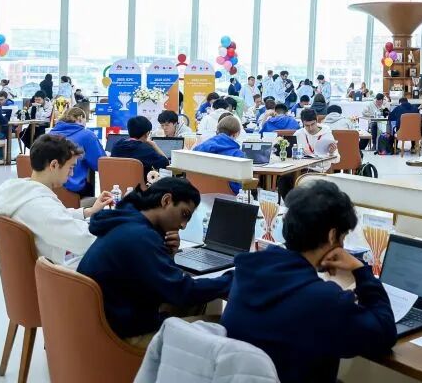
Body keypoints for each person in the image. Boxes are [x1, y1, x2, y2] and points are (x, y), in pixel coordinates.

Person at [221, 181, 396, 382]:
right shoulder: (324, 299)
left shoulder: (247, 272)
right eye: (343, 237)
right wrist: (361, 270)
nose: (342, 244)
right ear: (332, 235)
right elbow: (384, 334)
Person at [77, 178, 232, 347]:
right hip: (124, 338)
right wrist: (232, 280)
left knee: (206, 297)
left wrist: (168, 254)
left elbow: (159, 282)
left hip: (102, 325)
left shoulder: (125, 222)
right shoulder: (141, 236)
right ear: (166, 200)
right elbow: (181, 291)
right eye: (184, 214)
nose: (183, 225)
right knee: (221, 326)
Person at [0, 135, 114, 267]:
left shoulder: (21, 194)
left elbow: (56, 217)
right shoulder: (40, 207)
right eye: (70, 167)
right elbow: (84, 240)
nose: (71, 174)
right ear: (54, 165)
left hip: (46, 268)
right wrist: (118, 232)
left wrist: (87, 212)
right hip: (57, 273)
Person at [50, 107, 105, 197]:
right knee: (89, 189)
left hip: (51, 188)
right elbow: (100, 164)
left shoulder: (49, 134)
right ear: (80, 118)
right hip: (74, 189)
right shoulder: (87, 135)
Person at [192, 115, 244, 194]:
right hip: (228, 197)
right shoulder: (238, 155)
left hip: (199, 194)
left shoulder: (198, 148)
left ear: (217, 131)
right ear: (237, 134)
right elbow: (238, 188)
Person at [111, 116, 171, 180]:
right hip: (139, 186)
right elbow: (166, 163)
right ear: (147, 133)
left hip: (116, 184)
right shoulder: (146, 150)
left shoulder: (116, 146)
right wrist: (154, 145)